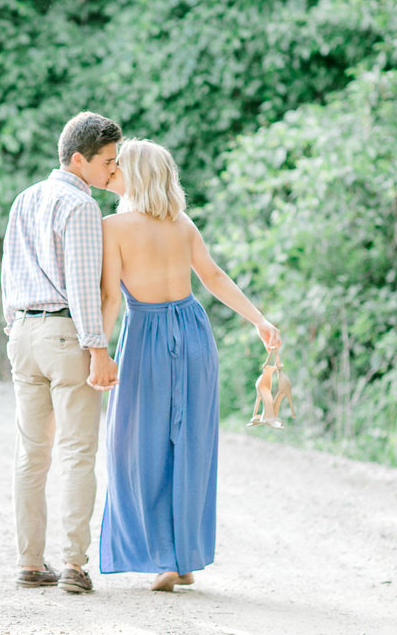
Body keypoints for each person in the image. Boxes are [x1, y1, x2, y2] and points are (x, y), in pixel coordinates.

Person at [95, 138, 282, 591]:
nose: (112, 171)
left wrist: (96, 351)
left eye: (118, 165)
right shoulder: (181, 224)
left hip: (145, 337)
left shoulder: (112, 227)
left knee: (137, 448)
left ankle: (163, 558)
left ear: (133, 175)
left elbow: (110, 299)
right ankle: (183, 559)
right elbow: (213, 276)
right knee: (190, 446)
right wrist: (259, 319)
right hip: (194, 332)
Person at [0, 111, 122, 594]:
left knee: (31, 454)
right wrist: (98, 349)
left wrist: (13, 325)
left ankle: (30, 561)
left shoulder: (25, 198)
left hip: (22, 333)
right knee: (76, 450)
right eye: (107, 162)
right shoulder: (80, 206)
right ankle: (73, 563)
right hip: (66, 335)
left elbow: (8, 272)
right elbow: (83, 287)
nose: (112, 171)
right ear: (78, 159)